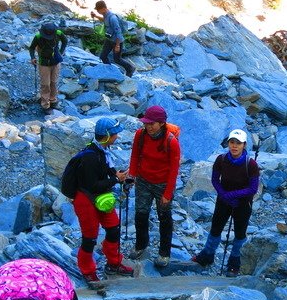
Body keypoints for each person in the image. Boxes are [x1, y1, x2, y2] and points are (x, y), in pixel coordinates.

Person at [69, 116, 135, 286]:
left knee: (113, 229)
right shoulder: (90, 157)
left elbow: (106, 173)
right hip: (86, 200)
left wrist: (118, 176)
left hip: (100, 197)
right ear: (106, 135)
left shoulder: (101, 151)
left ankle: (113, 263)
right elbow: (93, 185)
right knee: (89, 238)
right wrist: (116, 179)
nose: (117, 137)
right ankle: (88, 271)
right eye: (114, 134)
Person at [191, 129, 260, 277]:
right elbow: (215, 180)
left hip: (242, 203)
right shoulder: (221, 160)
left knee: (240, 233)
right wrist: (224, 194)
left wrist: (232, 195)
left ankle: (234, 263)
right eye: (232, 142)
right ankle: (207, 255)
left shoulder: (251, 164)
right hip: (224, 200)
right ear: (228, 143)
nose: (234, 146)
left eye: (238, 143)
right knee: (216, 228)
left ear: (244, 145)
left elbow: (253, 188)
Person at [128, 105, 181, 268]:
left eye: (152, 124)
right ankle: (140, 245)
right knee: (141, 213)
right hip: (143, 180)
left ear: (161, 123)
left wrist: (167, 193)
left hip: (163, 183)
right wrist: (132, 175)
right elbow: (135, 155)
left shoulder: (171, 142)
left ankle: (164, 253)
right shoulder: (140, 134)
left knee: (164, 217)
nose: (148, 127)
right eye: (146, 123)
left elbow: (174, 170)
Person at [28, 21, 68, 112]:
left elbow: (65, 41)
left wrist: (61, 52)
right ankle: (45, 105)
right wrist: (33, 57)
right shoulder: (38, 36)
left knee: (54, 82)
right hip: (44, 63)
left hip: (56, 62)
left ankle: (53, 101)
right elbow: (31, 48)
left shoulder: (58, 33)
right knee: (45, 84)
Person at [91, 1, 135, 77]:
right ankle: (110, 72)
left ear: (104, 8)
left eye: (98, 10)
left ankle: (130, 68)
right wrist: (95, 16)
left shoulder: (113, 18)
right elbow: (104, 20)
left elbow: (119, 32)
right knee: (103, 56)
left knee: (117, 59)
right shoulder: (105, 15)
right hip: (109, 39)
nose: (98, 11)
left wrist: (117, 45)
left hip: (117, 41)